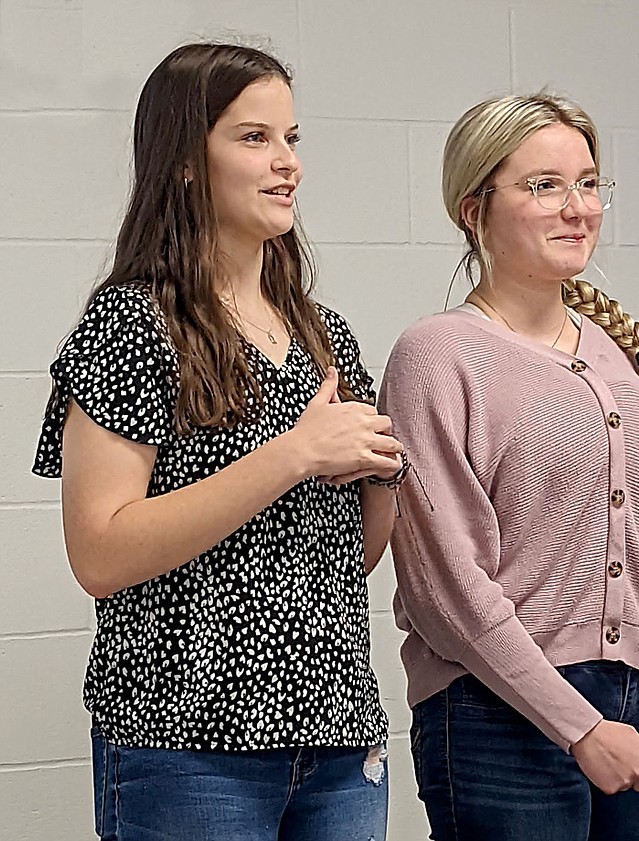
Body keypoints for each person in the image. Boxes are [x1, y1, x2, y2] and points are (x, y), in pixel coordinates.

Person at [32, 42, 405, 841]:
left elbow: (351, 555)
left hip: (338, 737)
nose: (287, 164)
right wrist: (295, 454)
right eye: (254, 137)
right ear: (185, 162)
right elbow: (99, 553)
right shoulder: (132, 325)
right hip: (189, 744)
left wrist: (382, 475)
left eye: (293, 139)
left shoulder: (323, 333)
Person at [379, 92, 639, 841]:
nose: (579, 208)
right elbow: (447, 589)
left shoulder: (633, 354)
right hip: (496, 715)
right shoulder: (436, 355)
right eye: (545, 185)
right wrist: (578, 726)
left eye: (589, 182)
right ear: (474, 208)